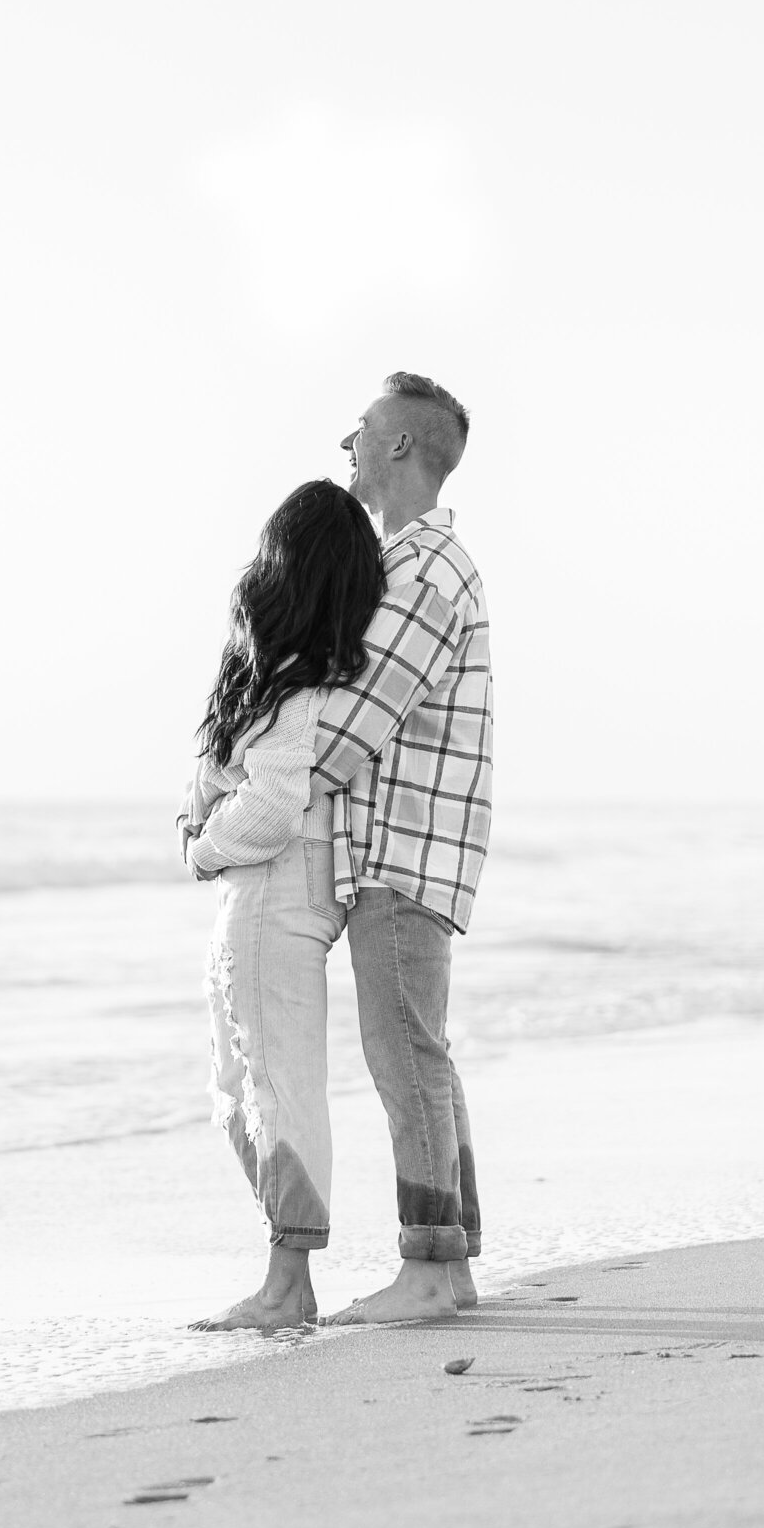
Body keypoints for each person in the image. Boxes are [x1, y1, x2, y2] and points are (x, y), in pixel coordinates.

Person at [179, 478, 385, 1330]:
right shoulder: (295, 677)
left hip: (273, 887)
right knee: (241, 1082)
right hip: (268, 890)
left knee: (273, 1082)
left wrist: (201, 843)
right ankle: (285, 1268)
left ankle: (287, 1281)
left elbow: (266, 812)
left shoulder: (298, 685)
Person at [319, 370, 493, 1322]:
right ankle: (451, 1261)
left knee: (406, 1058)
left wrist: (245, 794)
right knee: (422, 1052)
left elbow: (354, 728)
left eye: (359, 430)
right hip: (411, 853)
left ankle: (430, 1270)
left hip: (399, 856)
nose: (344, 445)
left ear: (397, 446)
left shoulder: (423, 569)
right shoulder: (419, 565)